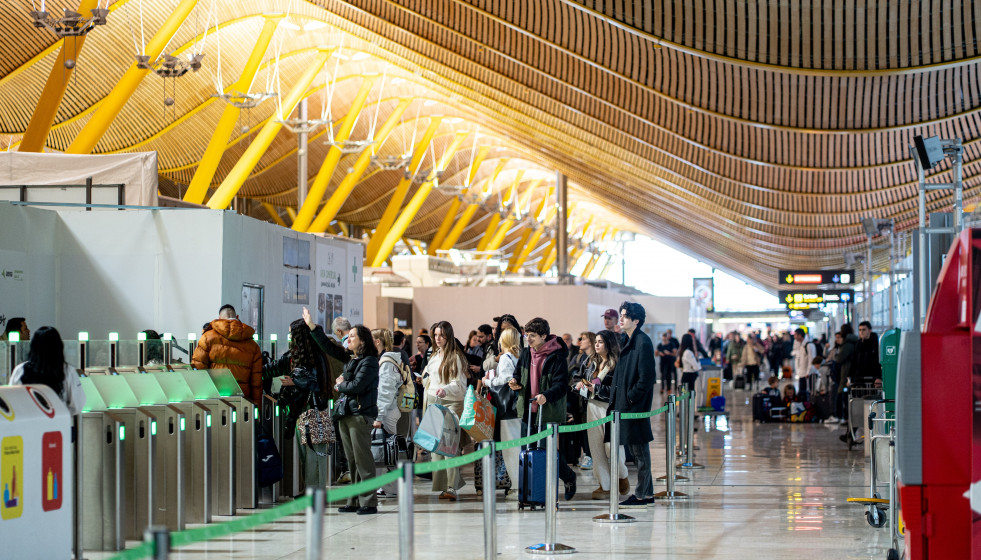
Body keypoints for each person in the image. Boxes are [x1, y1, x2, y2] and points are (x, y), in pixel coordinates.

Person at [508, 317, 577, 500]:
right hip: (527, 411)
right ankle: (531, 491)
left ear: (544, 336)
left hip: (548, 411)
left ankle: (568, 477)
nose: (528, 339)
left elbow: (562, 385)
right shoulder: (526, 353)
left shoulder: (557, 356)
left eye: (532, 336)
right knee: (527, 451)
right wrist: (515, 382)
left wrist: (546, 395)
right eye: (527, 335)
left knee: (549, 453)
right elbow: (517, 373)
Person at [263, 317, 332, 493]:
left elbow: (316, 382)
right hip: (306, 411)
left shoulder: (313, 357)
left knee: (314, 453)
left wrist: (295, 381)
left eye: (291, 333)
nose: (289, 337)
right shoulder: (299, 357)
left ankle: (315, 492)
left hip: (312, 410)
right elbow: (272, 368)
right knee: (309, 453)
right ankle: (311, 490)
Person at [610, 302, 657, 509]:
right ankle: (646, 493)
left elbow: (646, 378)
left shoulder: (642, 342)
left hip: (634, 406)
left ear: (636, 320)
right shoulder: (626, 340)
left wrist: (630, 398)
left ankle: (642, 495)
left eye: (625, 315)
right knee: (637, 451)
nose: (621, 319)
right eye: (621, 315)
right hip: (626, 404)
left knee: (640, 451)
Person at [575, 329, 629, 500]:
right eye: (596, 341)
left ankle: (622, 475)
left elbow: (618, 389)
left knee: (612, 446)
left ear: (609, 344)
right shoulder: (590, 362)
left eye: (600, 342)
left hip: (610, 408)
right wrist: (579, 385)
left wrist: (596, 388)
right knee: (596, 447)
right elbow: (577, 377)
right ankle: (604, 485)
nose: (596, 345)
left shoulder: (618, 364)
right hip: (592, 406)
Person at [334, 324, 380, 514]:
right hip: (347, 414)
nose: (349, 339)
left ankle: (369, 502)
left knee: (363, 460)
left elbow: (356, 386)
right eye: (348, 336)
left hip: (360, 415)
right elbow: (347, 383)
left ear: (363, 340)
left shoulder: (369, 361)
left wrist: (341, 384)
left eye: (352, 336)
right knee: (352, 460)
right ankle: (354, 500)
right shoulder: (354, 360)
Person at [423, 321, 469, 500]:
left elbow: (459, 385)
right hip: (434, 402)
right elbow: (431, 377)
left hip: (451, 402)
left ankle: (452, 486)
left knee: (449, 446)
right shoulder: (434, 354)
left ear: (448, 335)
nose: (438, 338)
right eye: (435, 335)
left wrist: (445, 389)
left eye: (441, 335)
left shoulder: (456, 356)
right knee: (436, 448)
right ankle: (443, 486)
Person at [192, 304, 264, 405]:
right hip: (243, 402)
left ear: (219, 319)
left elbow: (198, 372)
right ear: (237, 317)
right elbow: (256, 382)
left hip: (214, 401)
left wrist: (200, 402)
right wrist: (257, 407)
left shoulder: (207, 338)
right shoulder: (253, 346)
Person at [8, 326, 85, 414]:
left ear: (33, 346)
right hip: (58, 424)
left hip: (27, 423)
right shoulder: (67, 370)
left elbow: (11, 400)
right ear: (59, 346)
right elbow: (78, 405)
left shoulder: (20, 370)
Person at [483, 327, 522, 488]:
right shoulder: (518, 356)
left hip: (507, 408)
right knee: (517, 444)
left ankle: (515, 485)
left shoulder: (506, 357)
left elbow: (504, 379)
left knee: (510, 447)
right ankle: (519, 482)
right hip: (517, 406)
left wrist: (487, 382)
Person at [371, 329, 403, 435]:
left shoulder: (387, 363)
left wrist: (379, 417)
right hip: (386, 411)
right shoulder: (383, 360)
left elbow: (386, 391)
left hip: (386, 414)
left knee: (383, 448)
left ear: (377, 342)